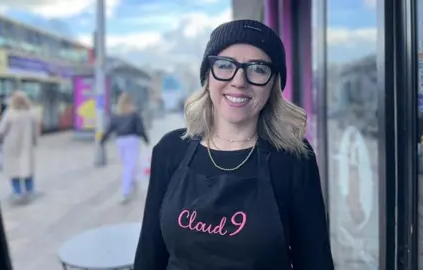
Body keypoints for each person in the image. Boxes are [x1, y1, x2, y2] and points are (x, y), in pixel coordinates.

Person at [134, 19, 334, 270]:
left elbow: (316, 261)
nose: (239, 81)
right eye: (226, 65)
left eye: (258, 69)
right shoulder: (170, 150)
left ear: (273, 83)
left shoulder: (294, 158)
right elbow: (149, 254)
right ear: (208, 75)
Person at [100, 92, 149, 204]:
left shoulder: (116, 114)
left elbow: (109, 128)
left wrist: (103, 139)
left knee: (128, 165)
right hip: (132, 140)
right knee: (130, 166)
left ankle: (132, 187)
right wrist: (146, 139)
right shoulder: (134, 114)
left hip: (120, 141)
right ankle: (126, 192)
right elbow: (141, 129)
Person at [0, 91, 39, 202]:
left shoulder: (9, 113)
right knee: (27, 169)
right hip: (27, 145)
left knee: (14, 169)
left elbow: (1, 130)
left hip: (11, 146)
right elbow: (36, 130)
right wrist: (35, 141)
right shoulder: (31, 113)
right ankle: (29, 191)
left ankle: (17, 191)